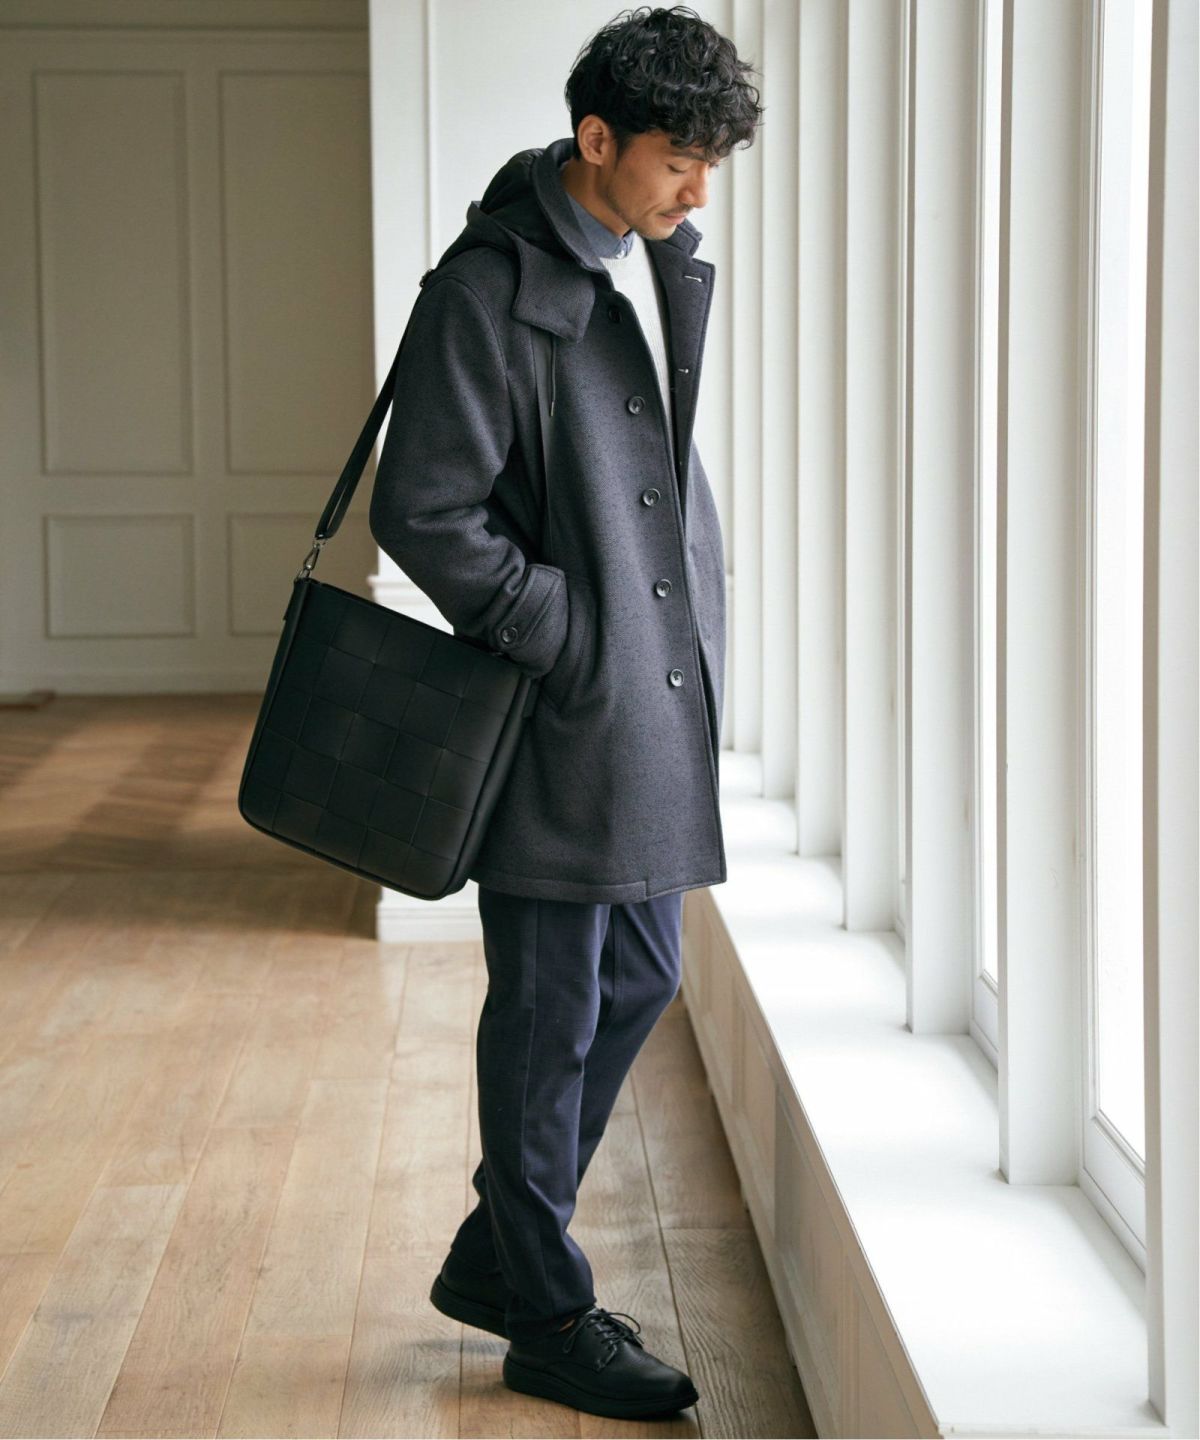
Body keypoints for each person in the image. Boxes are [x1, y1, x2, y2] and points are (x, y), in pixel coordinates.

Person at [368, 4, 761, 1422]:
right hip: (561, 710)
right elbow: (424, 510)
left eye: (711, 164)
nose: (697, 192)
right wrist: (564, 632)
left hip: (642, 699)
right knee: (547, 1014)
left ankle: (497, 1251)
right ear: (596, 139)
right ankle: (542, 1312)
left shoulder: (633, 255)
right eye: (678, 160)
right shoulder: (488, 287)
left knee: (640, 974)